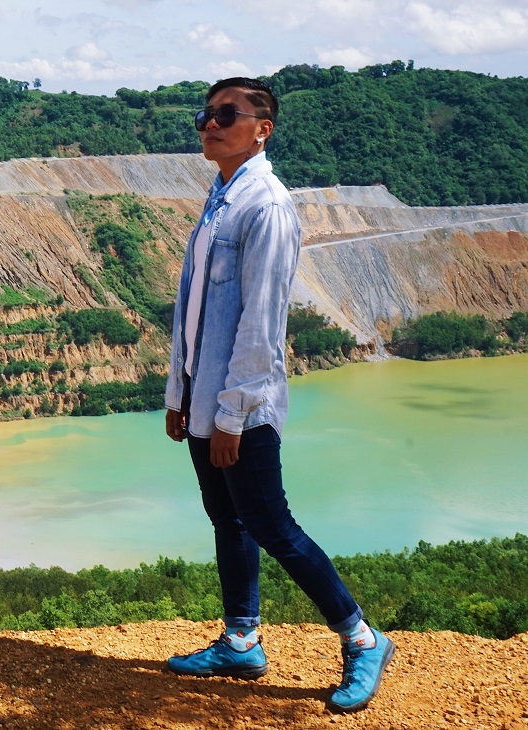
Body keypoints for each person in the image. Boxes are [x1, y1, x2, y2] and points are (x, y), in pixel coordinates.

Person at [161, 77, 395, 714]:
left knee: (272, 526)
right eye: (206, 114)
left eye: (226, 114)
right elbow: (194, 310)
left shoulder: (265, 206)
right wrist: (180, 391)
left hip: (242, 407)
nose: (210, 124)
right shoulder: (221, 197)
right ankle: (241, 640)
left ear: (262, 129)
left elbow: (261, 324)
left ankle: (363, 638)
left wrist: (232, 414)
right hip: (205, 398)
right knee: (228, 519)